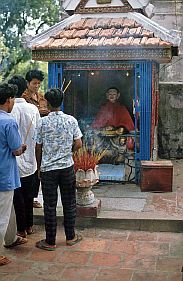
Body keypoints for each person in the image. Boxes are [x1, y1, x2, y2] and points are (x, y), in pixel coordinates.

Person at [34, 88, 83, 251]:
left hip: (48, 169)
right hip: (66, 168)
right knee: (69, 203)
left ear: (47, 103)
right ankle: (71, 237)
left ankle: (50, 241)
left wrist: (39, 166)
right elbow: (79, 144)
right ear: (62, 102)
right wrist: (68, 153)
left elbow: (38, 147)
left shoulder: (42, 122)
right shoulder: (71, 120)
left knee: (49, 205)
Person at [9, 75, 40, 238]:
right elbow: (38, 134)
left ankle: (20, 229)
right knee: (29, 195)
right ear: (24, 88)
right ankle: (29, 226)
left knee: (17, 197)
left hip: (14, 159)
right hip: (31, 159)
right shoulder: (33, 109)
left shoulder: (10, 109)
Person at [0, 83, 27, 266]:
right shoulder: (8, 121)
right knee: (2, 215)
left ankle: (10, 239)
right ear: (9, 100)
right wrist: (23, 147)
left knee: (8, 213)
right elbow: (16, 150)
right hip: (3, 174)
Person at [22, 69, 49, 208]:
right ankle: (27, 197)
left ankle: (33, 196)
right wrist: (38, 112)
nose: (37, 86)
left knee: (38, 165)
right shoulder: (23, 97)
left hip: (40, 136)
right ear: (28, 83)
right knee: (28, 165)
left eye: (39, 83)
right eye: (34, 83)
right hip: (27, 136)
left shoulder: (42, 97)